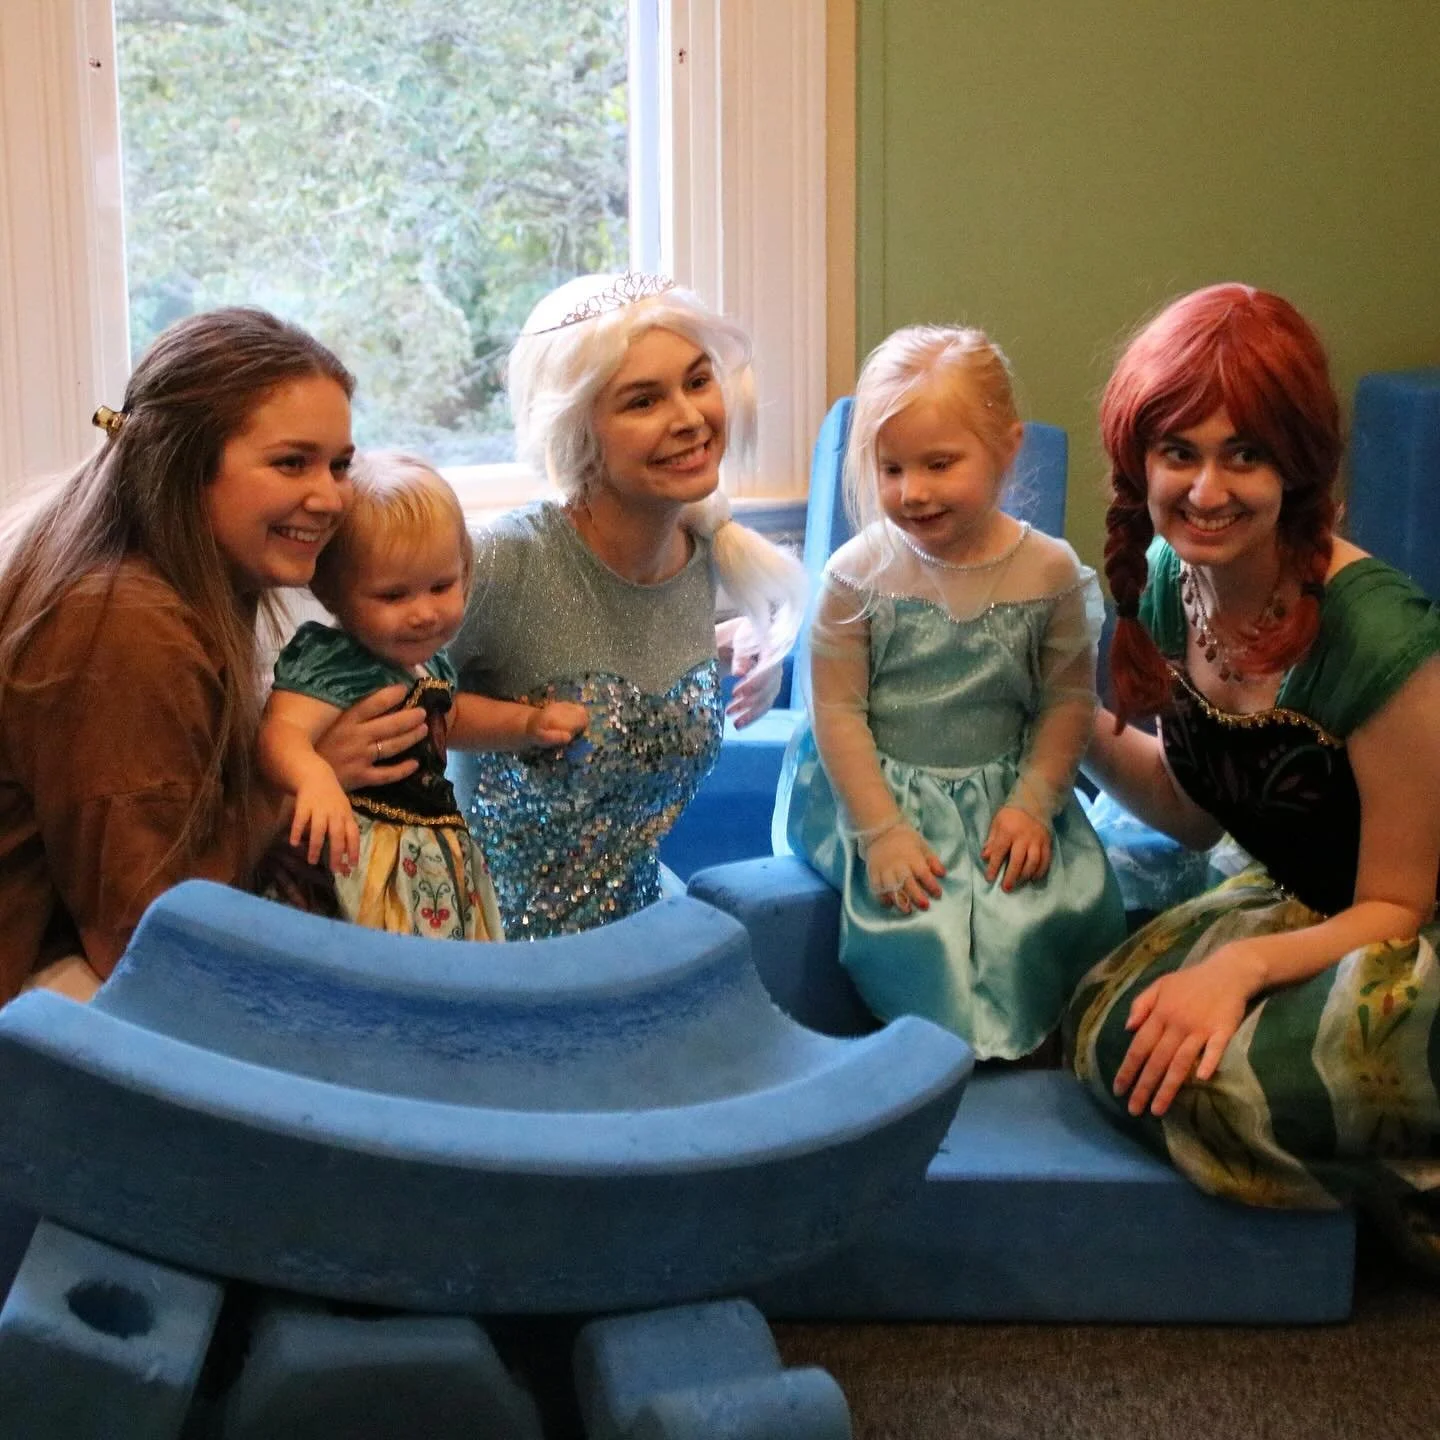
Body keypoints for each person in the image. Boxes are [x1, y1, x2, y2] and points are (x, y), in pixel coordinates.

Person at [1066, 283, 1440, 1249]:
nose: (1206, 489)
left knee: (1221, 1083)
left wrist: (1240, 967)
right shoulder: (1165, 579)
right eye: (1178, 452)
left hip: (1402, 928)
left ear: (1298, 470)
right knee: (1111, 1026)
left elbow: (1399, 906)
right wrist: (1066, 719)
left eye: (1246, 454)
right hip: (1303, 904)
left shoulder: (1378, 635)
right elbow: (1196, 816)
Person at [0, 307, 430, 1004]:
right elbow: (138, 937)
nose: (329, 498)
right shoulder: (127, 627)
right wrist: (292, 784)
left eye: (341, 465)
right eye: (292, 462)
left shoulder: (167, 579)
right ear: (182, 467)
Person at [774, 324, 1125, 1060]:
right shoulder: (857, 575)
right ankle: (930, 1058)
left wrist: (1033, 806)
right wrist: (882, 832)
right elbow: (834, 711)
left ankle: (1038, 1049)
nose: (912, 492)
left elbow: (1067, 703)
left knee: (1038, 905)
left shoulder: (1050, 573)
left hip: (1009, 790)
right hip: (879, 789)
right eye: (891, 467)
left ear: (1008, 447)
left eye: (939, 463)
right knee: (920, 917)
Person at [447, 271, 807, 938]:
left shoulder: (703, 556)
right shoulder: (504, 562)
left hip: (634, 938)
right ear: (579, 426)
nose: (690, 418)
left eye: (698, 382)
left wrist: (739, 648)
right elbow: (385, 714)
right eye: (643, 401)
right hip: (486, 958)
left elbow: (632, 651)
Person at [260, 451, 589, 940]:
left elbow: (450, 719)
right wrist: (314, 777)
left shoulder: (427, 662)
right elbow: (280, 731)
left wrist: (526, 726)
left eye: (441, 586)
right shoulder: (336, 660)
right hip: (358, 859)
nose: (424, 613)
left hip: (430, 862)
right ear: (333, 593)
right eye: (394, 596)